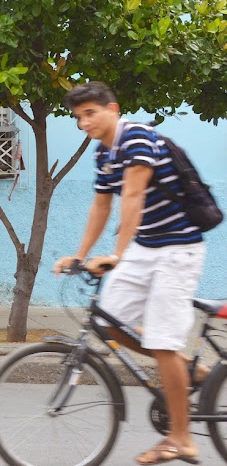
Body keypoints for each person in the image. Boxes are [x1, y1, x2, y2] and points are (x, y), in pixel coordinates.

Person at [53, 81, 206, 465]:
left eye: (90, 113)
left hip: (178, 247)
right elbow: (101, 206)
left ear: (112, 109)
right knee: (110, 323)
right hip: (146, 246)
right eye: (78, 117)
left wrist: (117, 255)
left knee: (163, 341)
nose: (84, 122)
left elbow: (134, 197)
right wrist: (80, 255)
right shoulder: (104, 154)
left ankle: (181, 438)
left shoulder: (135, 137)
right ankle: (190, 370)